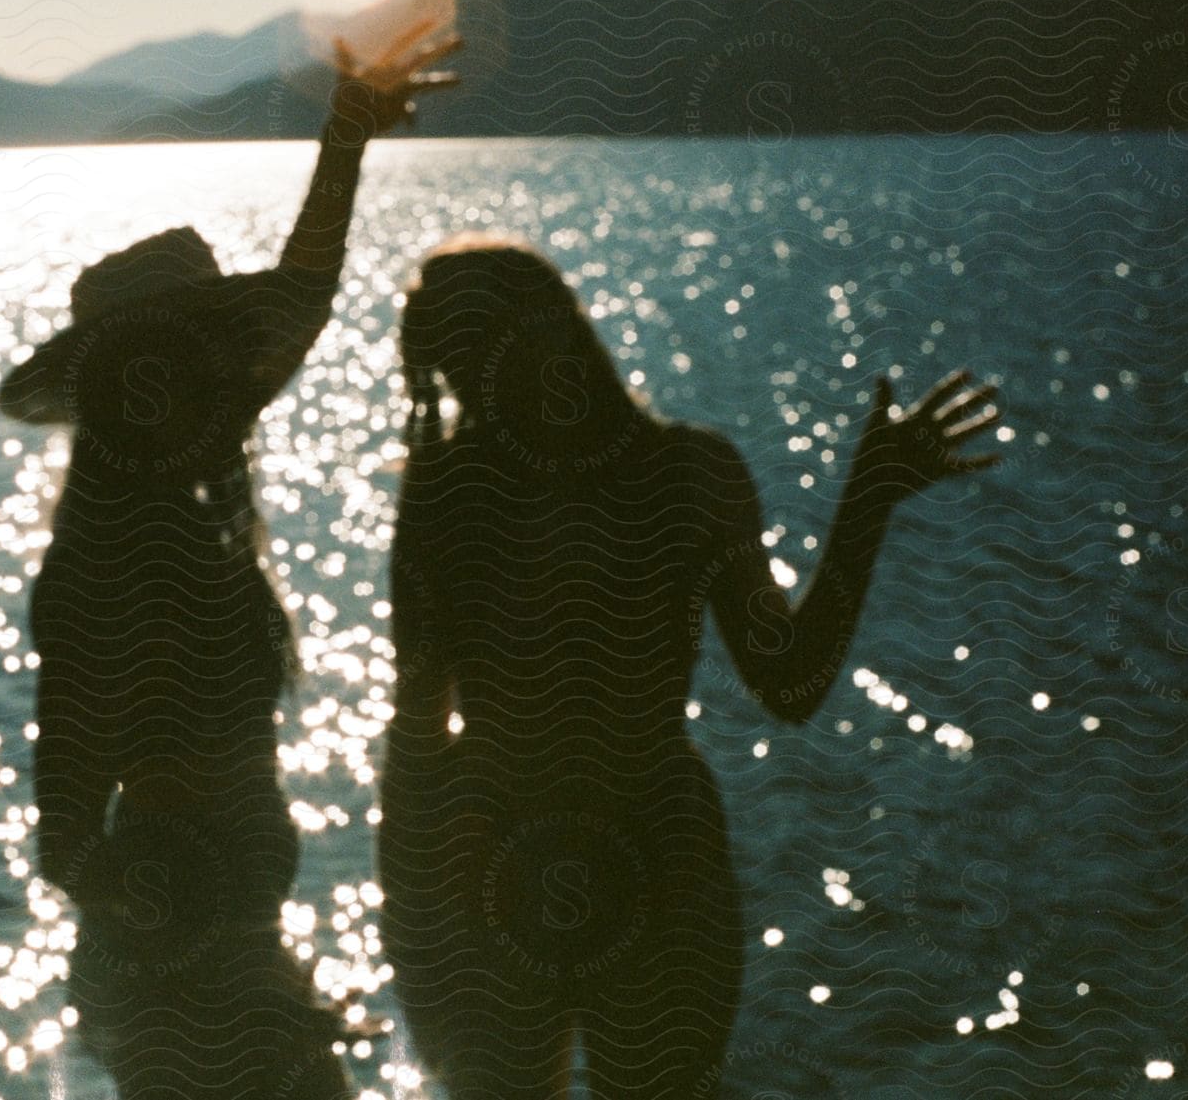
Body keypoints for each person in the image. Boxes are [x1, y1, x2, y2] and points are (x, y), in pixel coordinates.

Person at [378, 235, 1002, 1099]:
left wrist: (407, 905)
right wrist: (868, 500)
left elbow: (416, 728)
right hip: (656, 846)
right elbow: (788, 685)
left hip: (495, 855)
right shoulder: (685, 472)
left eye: (455, 359)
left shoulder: (447, 496)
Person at [0, 22, 458, 1099]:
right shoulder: (105, 565)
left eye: (208, 371)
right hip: (189, 980)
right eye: (177, 373)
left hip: (223, 956)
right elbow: (67, 840)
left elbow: (301, 298)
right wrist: (212, 972)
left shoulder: (181, 513)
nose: (219, 389)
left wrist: (346, 144)